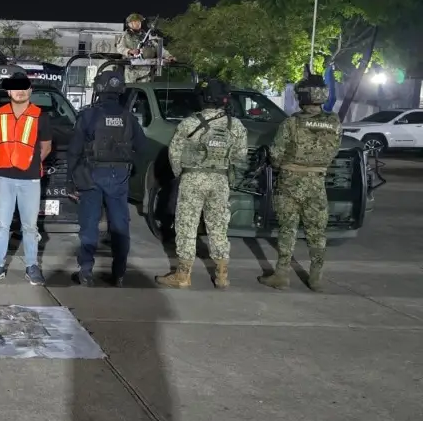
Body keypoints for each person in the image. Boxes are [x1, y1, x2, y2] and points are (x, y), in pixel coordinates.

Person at [156, 79, 248, 289]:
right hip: (220, 180)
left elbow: (175, 153)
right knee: (218, 226)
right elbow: (240, 155)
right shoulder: (236, 125)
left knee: (187, 226)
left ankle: (183, 275)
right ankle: (222, 275)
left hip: (193, 179)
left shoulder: (189, 123)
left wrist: (184, 174)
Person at [258, 74, 341, 291]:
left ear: (301, 97)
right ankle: (316, 278)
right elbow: (333, 151)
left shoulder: (291, 123)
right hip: (317, 184)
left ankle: (282, 275)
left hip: (290, 183)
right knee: (317, 232)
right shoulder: (334, 122)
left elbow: (275, 155)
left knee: (287, 229)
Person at [68, 69, 146, 287]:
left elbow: (74, 151)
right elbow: (142, 148)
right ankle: (119, 274)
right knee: (120, 225)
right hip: (119, 176)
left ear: (98, 89)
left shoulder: (88, 115)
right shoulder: (129, 118)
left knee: (89, 224)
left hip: (91, 176)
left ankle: (86, 271)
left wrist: (70, 180)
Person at [0, 72, 51, 285]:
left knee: (30, 226)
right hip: (4, 177)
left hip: (30, 179)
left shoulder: (41, 116)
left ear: (30, 90)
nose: (20, 91)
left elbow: (46, 147)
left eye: (24, 87)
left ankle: (32, 266)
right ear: (9, 91)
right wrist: (4, 159)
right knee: (2, 224)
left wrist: (29, 162)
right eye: (15, 87)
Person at [115, 13, 173, 83]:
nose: (137, 24)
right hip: (131, 70)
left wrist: (169, 56)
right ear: (129, 24)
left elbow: (158, 48)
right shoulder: (125, 36)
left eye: (139, 22)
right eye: (135, 22)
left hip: (145, 71)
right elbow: (120, 48)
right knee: (130, 91)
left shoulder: (146, 36)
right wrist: (130, 51)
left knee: (144, 91)